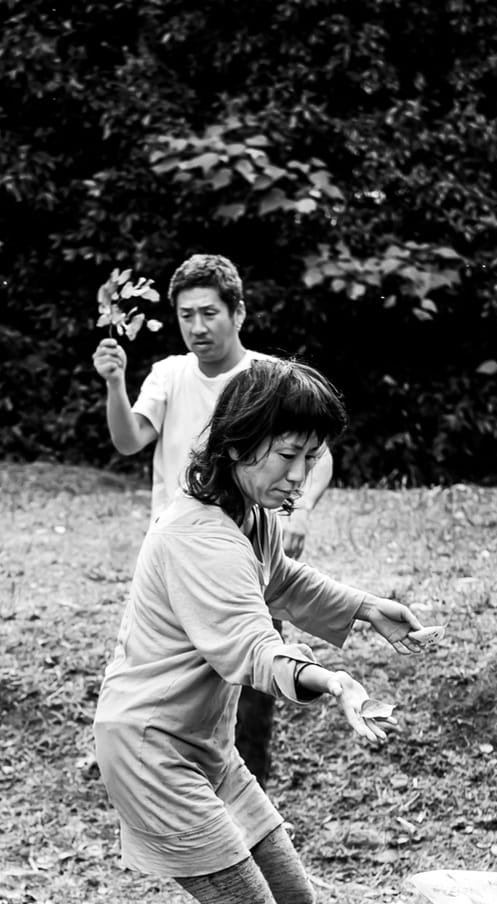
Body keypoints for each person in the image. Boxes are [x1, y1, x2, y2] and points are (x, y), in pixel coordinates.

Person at [93, 357, 434, 904]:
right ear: (240, 443)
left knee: (290, 896)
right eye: (288, 456)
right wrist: (333, 680)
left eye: (311, 459)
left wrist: (367, 607)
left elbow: (281, 583)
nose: (300, 475)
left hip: (198, 746)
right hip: (149, 749)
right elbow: (249, 647)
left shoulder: (247, 519)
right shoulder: (197, 538)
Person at [92, 253, 335, 783]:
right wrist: (115, 384)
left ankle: (249, 798)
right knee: (184, 688)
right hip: (179, 561)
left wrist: (301, 512)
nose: (197, 327)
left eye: (209, 313)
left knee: (252, 684)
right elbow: (129, 439)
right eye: (186, 315)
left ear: (238, 313)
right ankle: (181, 785)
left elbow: (318, 454)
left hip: (245, 555)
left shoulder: (266, 380)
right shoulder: (168, 375)